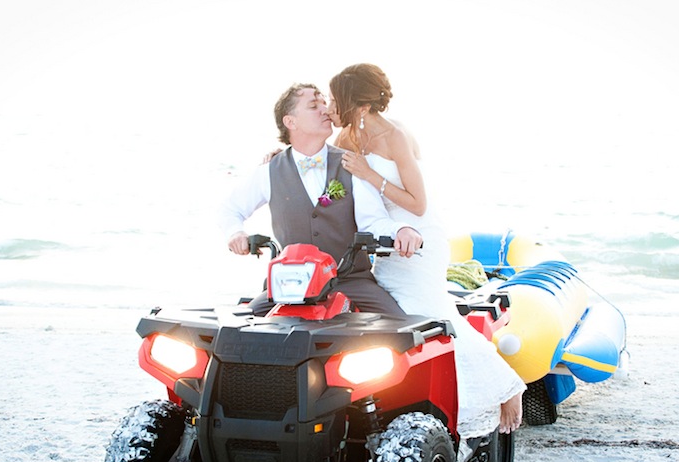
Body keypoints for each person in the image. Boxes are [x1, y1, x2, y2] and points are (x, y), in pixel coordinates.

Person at [328, 63, 526, 437]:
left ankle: (506, 383)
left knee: (429, 313)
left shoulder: (394, 136)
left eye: (337, 97)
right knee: (404, 313)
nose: (331, 105)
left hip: (419, 236)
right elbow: (322, 167)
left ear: (357, 102)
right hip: (386, 241)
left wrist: (370, 176)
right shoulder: (349, 136)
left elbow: (418, 203)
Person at [219, 83, 423, 317]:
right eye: (314, 106)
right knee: (241, 329)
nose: (325, 110)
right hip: (289, 285)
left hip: (350, 281)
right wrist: (236, 233)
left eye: (324, 103)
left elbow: (373, 222)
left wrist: (401, 230)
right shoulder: (269, 170)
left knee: (400, 329)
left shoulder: (351, 164)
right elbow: (229, 210)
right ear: (291, 122)